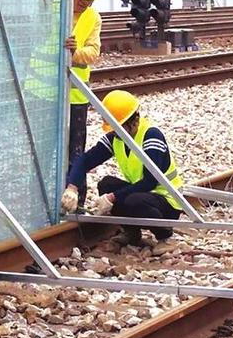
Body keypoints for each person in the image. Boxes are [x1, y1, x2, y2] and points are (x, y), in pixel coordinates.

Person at [60, 90, 184, 249]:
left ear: (133, 122)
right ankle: (131, 233)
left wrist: (112, 197)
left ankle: (164, 236)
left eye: (117, 127)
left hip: (168, 201)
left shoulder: (151, 135)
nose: (114, 132)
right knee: (106, 184)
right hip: (145, 194)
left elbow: (150, 182)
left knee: (133, 200)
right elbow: (85, 160)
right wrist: (72, 187)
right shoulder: (116, 138)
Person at [54, 0, 103, 211]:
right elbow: (31, 14)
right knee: (45, 148)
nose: (85, 4)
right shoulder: (53, 3)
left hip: (75, 94)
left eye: (89, 0)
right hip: (46, 92)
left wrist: (74, 53)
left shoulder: (93, 18)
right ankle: (45, 198)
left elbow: (93, 52)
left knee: (76, 150)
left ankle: (76, 202)